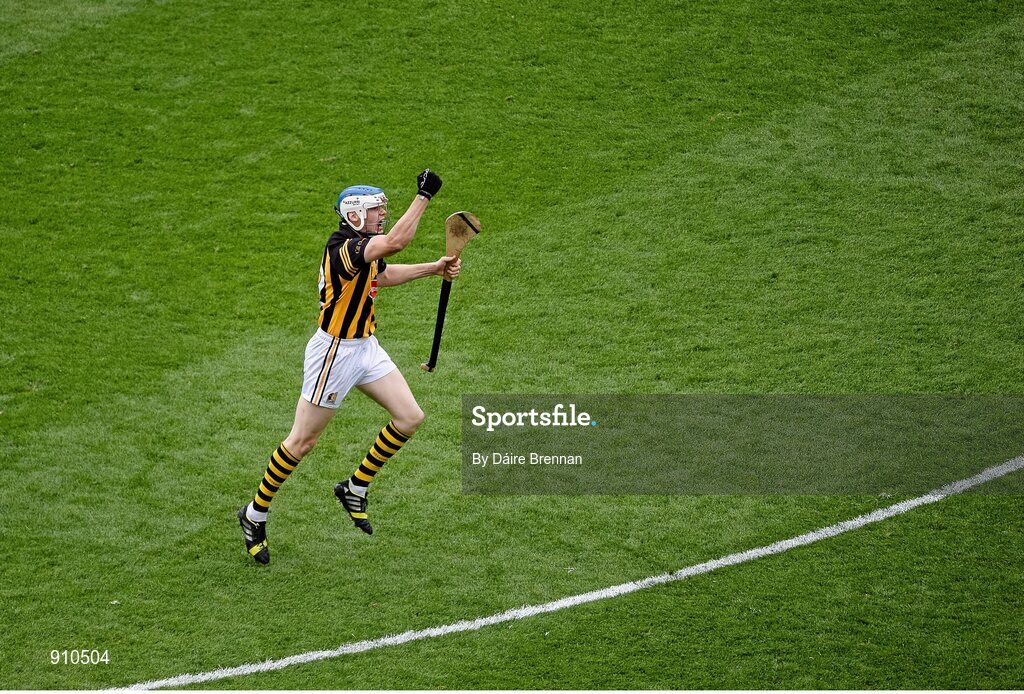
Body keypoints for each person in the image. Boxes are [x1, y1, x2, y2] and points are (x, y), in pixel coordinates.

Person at [238, 168, 458, 564]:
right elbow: (396, 244)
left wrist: (434, 267)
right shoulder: (346, 246)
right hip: (334, 355)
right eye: (375, 210)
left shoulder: (364, 248)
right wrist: (423, 196)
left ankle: (354, 487)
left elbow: (383, 275)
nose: (381, 216)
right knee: (302, 442)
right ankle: (254, 514)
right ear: (354, 215)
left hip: (365, 348)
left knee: (410, 417)